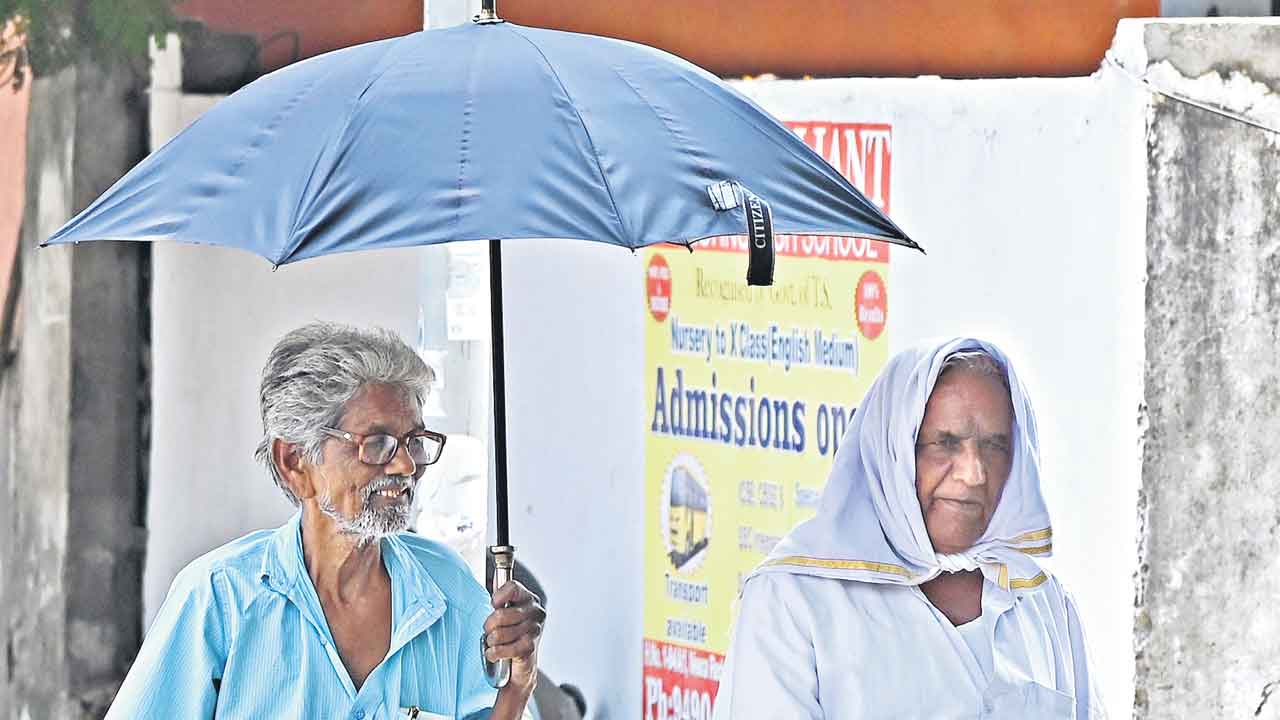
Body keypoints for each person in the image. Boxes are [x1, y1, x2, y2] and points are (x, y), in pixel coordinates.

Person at [107, 322, 545, 719]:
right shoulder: (220, 599)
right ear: (295, 460)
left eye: (414, 441)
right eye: (376, 443)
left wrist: (519, 683)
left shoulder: (446, 588)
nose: (406, 466)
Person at [713, 337, 1104, 719]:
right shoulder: (794, 600)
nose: (973, 473)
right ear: (893, 453)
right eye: (945, 443)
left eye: (995, 446)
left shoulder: (1043, 600)